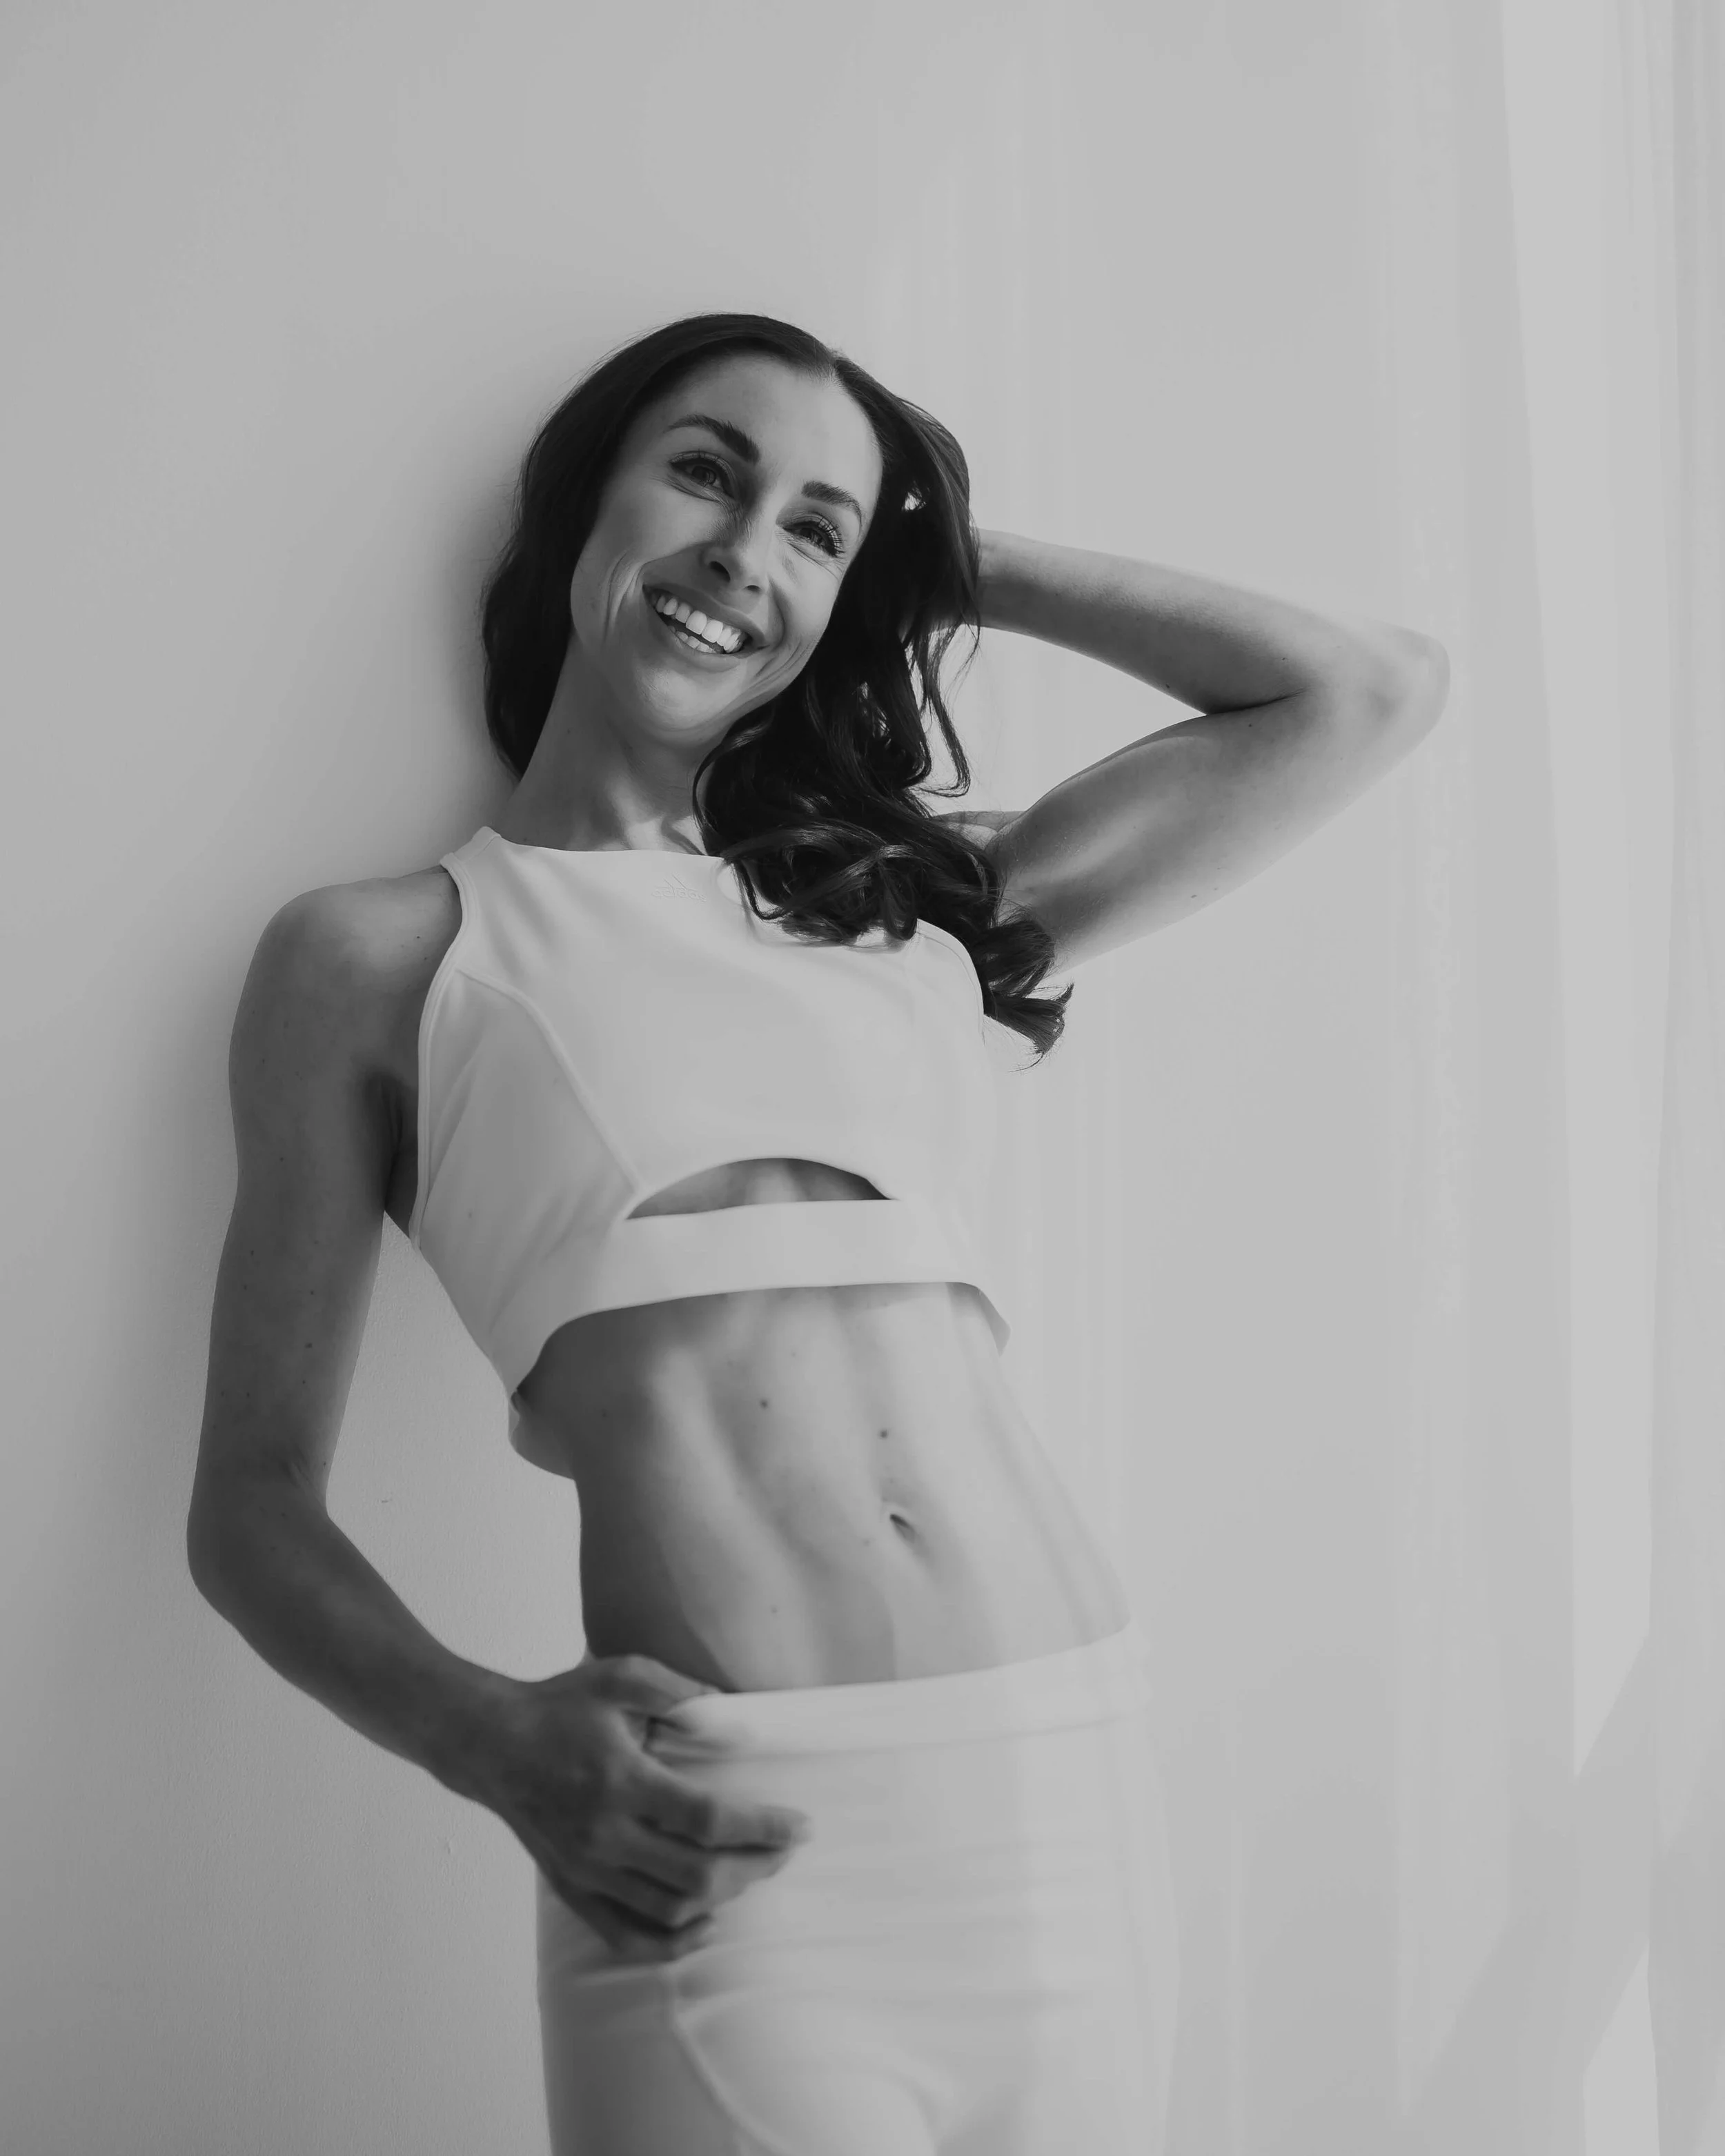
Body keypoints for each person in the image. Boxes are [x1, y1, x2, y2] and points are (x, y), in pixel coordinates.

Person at [187, 310, 1448, 2155]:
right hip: (726, 1846)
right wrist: (485, 1737)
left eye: (813, 528)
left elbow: (1364, 691)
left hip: (1060, 1792)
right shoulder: (383, 955)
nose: (742, 550)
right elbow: (250, 1506)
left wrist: (929, 552)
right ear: (583, 502)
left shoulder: (917, 914)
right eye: (703, 469)